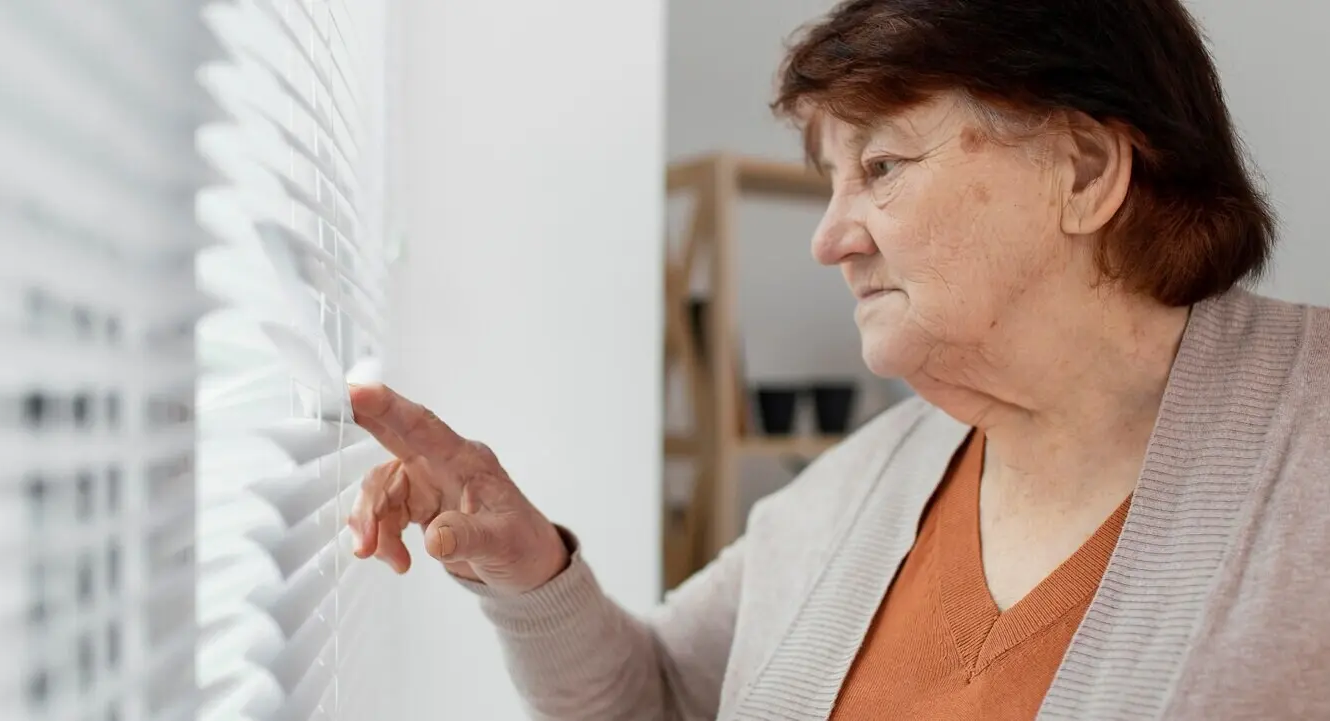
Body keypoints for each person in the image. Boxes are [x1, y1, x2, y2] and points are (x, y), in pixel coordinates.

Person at [346, 0, 1330, 719]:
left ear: (1084, 171)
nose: (829, 238)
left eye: (881, 168)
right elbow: (658, 700)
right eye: (831, 178)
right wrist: (531, 571)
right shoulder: (852, 491)